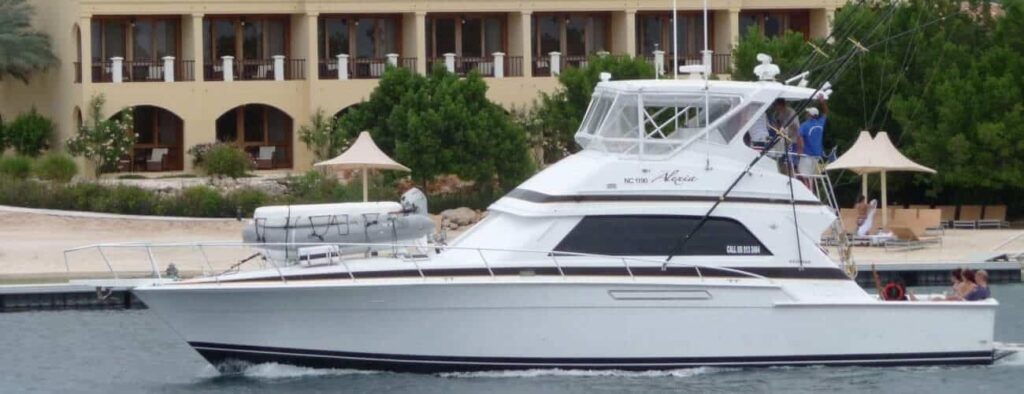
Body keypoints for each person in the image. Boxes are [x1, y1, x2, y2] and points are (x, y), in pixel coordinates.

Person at [768, 99, 802, 174]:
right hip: (784, 142)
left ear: (781, 105)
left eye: (775, 105)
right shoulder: (779, 113)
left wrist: (787, 137)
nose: (774, 107)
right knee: (783, 163)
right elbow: (779, 124)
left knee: (790, 164)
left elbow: (795, 127)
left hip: (792, 141)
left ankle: (794, 179)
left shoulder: (791, 112)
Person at [798, 97, 829, 181]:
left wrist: (800, 151)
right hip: (818, 156)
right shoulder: (820, 123)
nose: (805, 114)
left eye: (807, 113)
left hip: (807, 155)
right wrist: (822, 102)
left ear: (810, 115)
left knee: (803, 176)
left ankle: (805, 190)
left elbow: (800, 138)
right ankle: (811, 191)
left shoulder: (804, 125)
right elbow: (826, 112)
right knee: (812, 177)